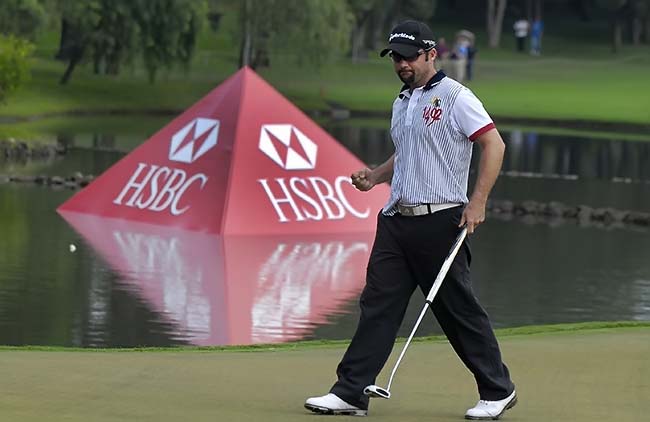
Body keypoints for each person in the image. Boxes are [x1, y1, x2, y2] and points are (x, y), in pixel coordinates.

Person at [304, 20, 516, 420]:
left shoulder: (456, 97)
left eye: (408, 56)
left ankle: (497, 390)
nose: (401, 64)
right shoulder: (402, 100)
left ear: (431, 54)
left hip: (442, 221)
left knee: (457, 311)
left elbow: (494, 144)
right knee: (377, 306)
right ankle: (351, 391)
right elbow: (409, 152)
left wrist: (478, 202)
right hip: (396, 220)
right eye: (395, 57)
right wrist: (375, 176)